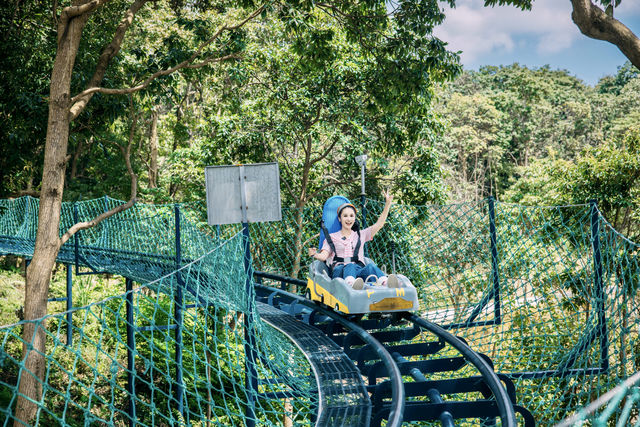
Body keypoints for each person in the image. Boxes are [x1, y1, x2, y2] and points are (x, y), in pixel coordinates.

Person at [308, 190, 399, 290]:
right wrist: (315, 254)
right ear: (339, 218)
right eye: (345, 216)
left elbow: (379, 225)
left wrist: (387, 204)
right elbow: (324, 256)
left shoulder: (360, 235)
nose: (349, 219)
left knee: (370, 267)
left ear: (355, 218)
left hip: (358, 272)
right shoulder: (332, 237)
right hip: (340, 273)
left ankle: (386, 283)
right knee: (349, 266)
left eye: (351, 216)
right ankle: (351, 285)